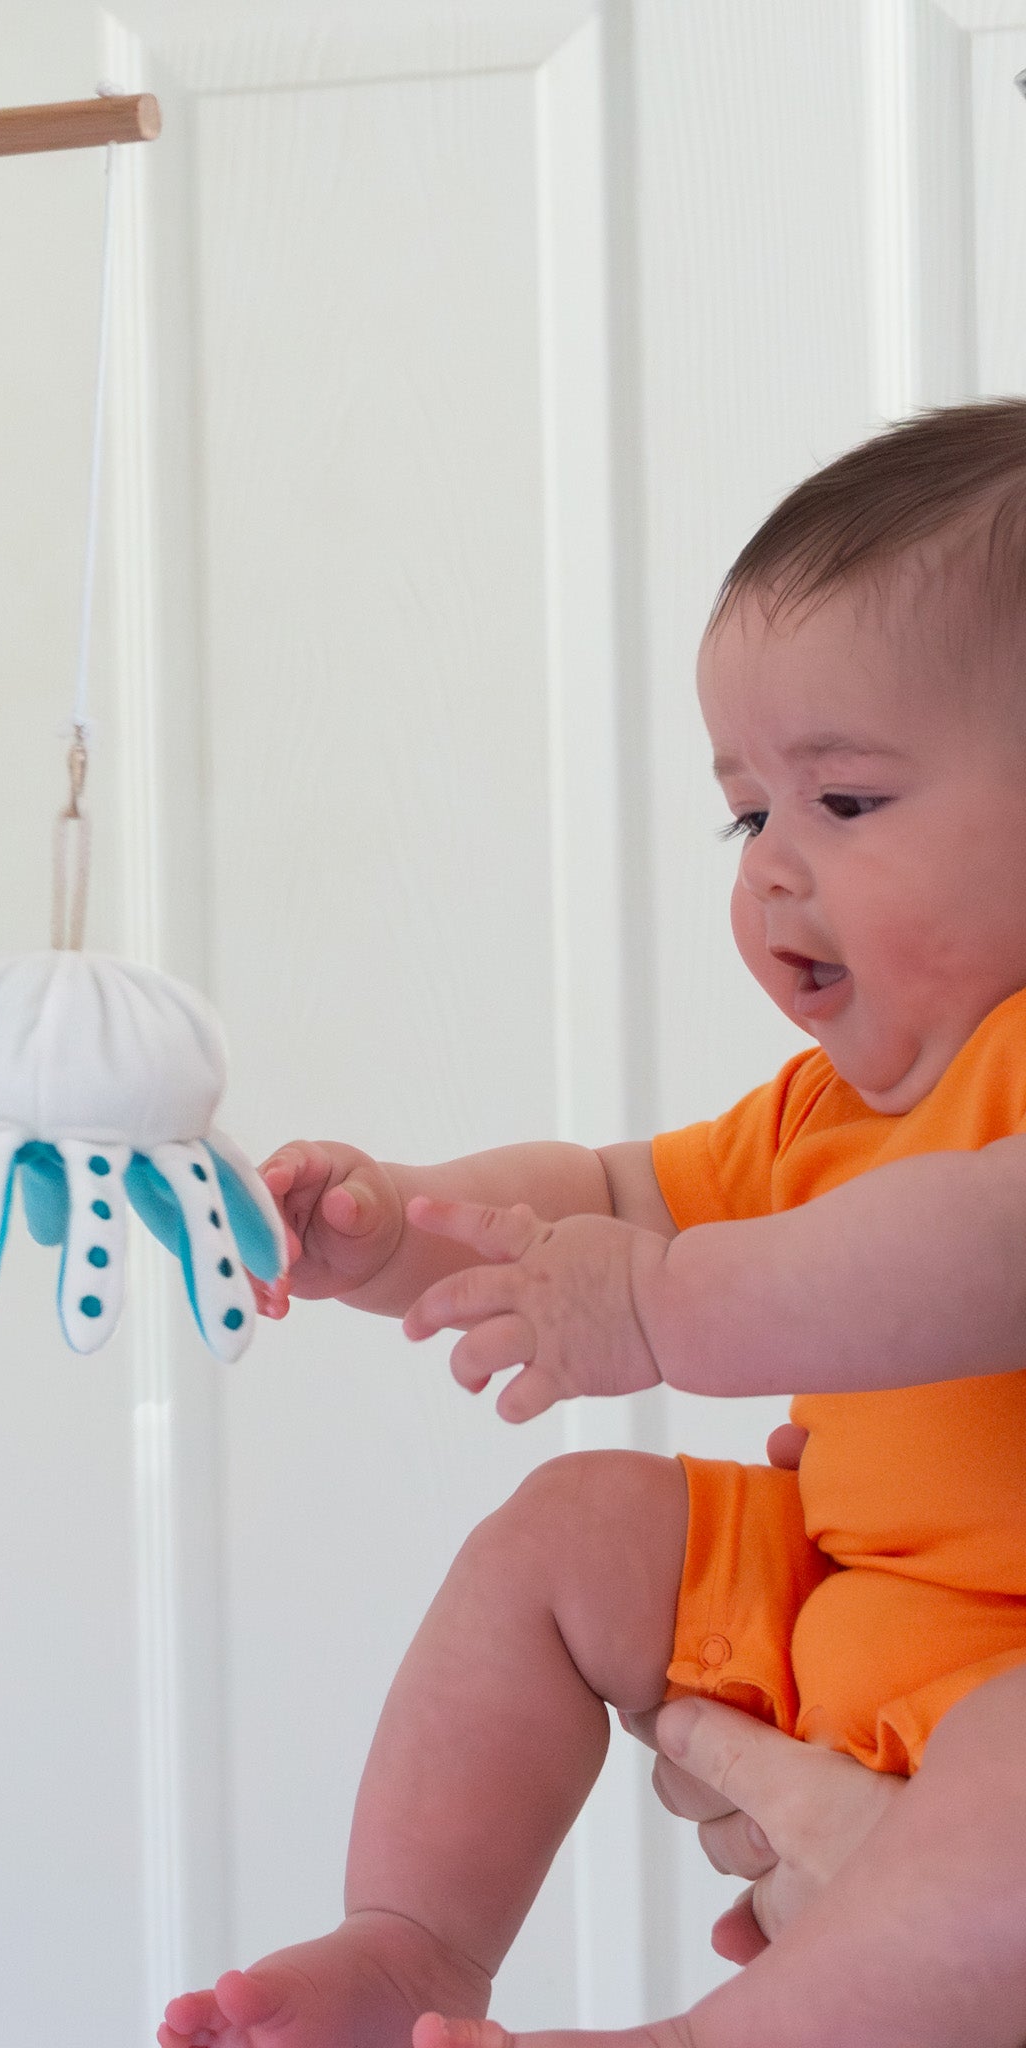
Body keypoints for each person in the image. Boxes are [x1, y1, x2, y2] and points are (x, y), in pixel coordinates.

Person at [159, 400, 1026, 2048]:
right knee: (574, 1530)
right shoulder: (823, 1110)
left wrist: (664, 1313)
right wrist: (394, 1227)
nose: (773, 867)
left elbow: (983, 1252)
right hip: (836, 1613)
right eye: (744, 812)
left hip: (1007, 1698)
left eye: (842, 800)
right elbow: (612, 1199)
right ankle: (412, 1945)